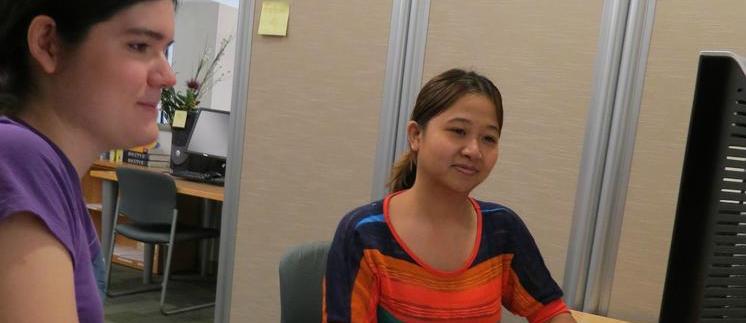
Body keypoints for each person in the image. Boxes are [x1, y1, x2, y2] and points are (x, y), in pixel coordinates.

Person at [324, 69, 576, 323]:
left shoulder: (501, 229)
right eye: (458, 131)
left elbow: (550, 311)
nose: (474, 150)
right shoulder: (365, 234)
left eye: (489, 138)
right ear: (416, 135)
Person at [0, 0, 177, 322]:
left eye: (165, 50)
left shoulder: (47, 168)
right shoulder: (17, 158)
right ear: (47, 43)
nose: (168, 76)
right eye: (139, 46)